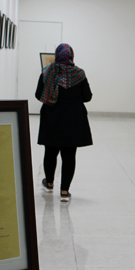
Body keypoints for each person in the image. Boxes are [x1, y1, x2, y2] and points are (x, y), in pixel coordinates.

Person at [35, 43, 93, 202]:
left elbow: (38, 94)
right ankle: (65, 191)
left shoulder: (47, 72)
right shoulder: (79, 74)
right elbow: (87, 96)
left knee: (50, 151)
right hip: (73, 119)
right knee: (69, 155)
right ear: (71, 56)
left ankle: (49, 183)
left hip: (51, 117)